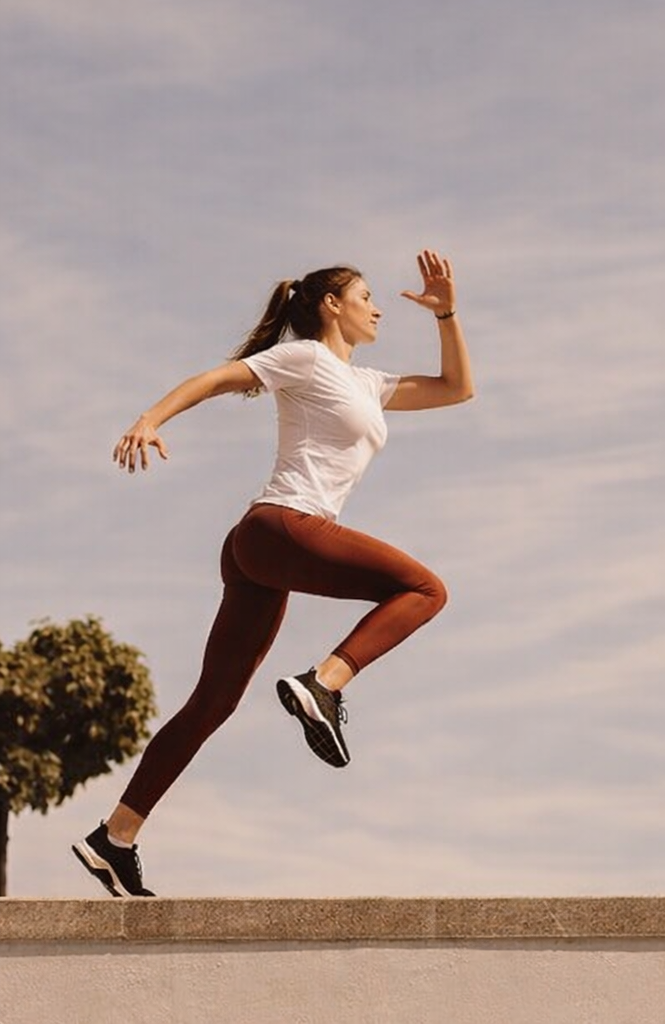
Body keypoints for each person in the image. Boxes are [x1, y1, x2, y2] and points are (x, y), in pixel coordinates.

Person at [72, 249, 473, 897]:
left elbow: (458, 389)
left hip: (263, 550)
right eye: (365, 295)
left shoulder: (367, 383)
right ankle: (325, 684)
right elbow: (216, 378)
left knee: (214, 702)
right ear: (330, 305)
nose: (377, 307)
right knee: (425, 589)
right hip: (281, 526)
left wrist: (447, 313)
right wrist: (149, 419)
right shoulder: (307, 358)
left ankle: (114, 838)